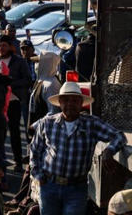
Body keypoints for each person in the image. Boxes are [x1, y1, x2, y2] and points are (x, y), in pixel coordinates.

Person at [30, 82, 127, 215]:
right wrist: (39, 176)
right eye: (66, 100)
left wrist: (109, 151)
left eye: (75, 100)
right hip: (49, 186)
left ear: (81, 103)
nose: (70, 104)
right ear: (60, 102)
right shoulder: (47, 123)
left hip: (76, 189)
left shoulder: (91, 123)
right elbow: (35, 151)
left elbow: (119, 136)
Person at [0, 34, 31, 172]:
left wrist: (10, 83)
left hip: (13, 101)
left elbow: (28, 79)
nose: (1, 48)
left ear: (10, 47)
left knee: (14, 132)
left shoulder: (19, 61)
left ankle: (18, 162)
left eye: (4, 45)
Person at [28, 52, 61, 129]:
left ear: (46, 64)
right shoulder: (41, 81)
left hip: (46, 131)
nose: (36, 65)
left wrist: (35, 125)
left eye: (38, 62)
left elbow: (54, 113)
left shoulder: (50, 85)